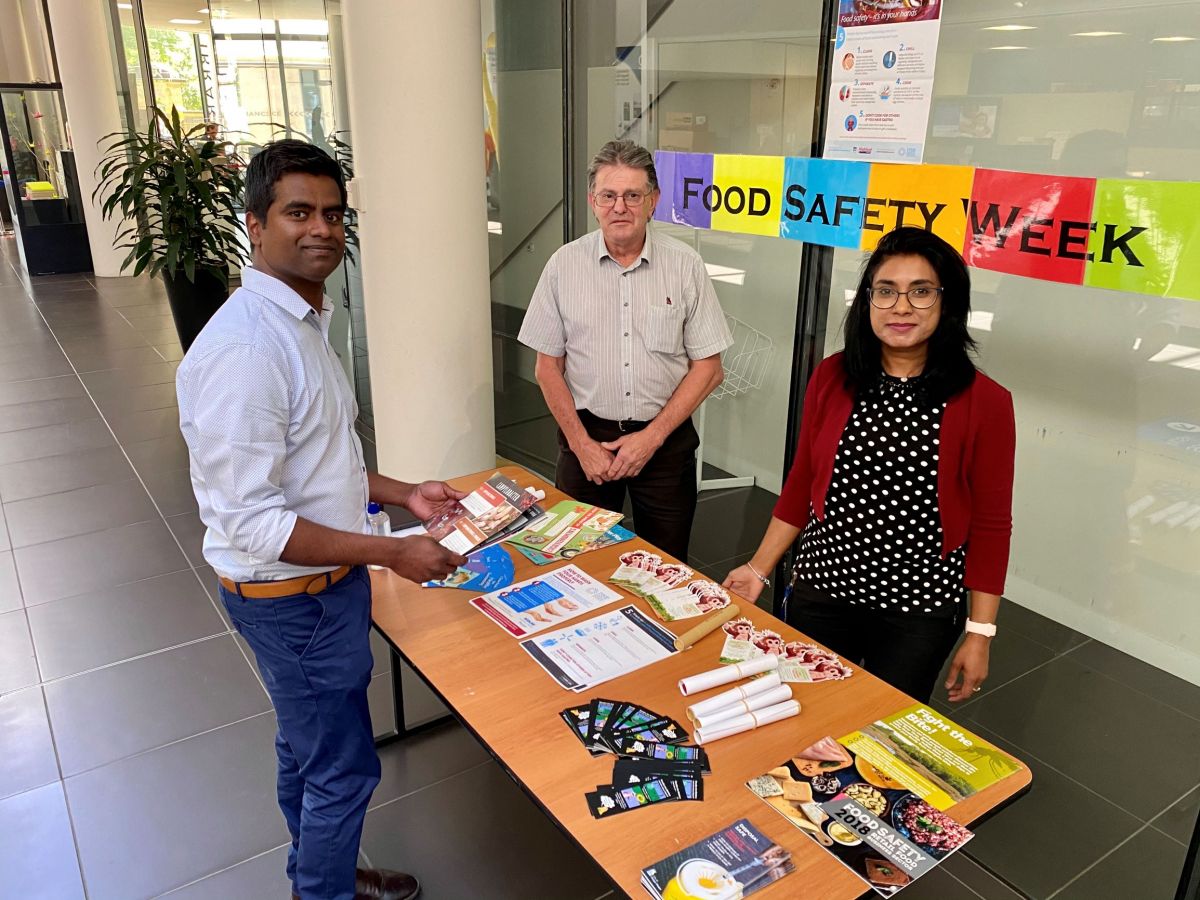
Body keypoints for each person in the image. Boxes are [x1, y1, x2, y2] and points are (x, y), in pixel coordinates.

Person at [176, 139, 467, 900]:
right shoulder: (246, 351)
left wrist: (405, 493)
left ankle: (324, 869)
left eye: (334, 214)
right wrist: (392, 553)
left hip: (318, 594)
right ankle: (325, 890)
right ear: (254, 225)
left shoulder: (301, 324)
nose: (322, 229)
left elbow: (317, 465)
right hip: (293, 603)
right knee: (342, 768)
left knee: (306, 751)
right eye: (298, 211)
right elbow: (256, 524)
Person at [724, 226, 1015, 703]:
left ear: (949, 304)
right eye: (886, 291)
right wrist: (758, 569)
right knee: (805, 710)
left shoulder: (985, 402)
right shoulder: (834, 376)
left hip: (918, 608)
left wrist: (980, 631)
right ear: (867, 302)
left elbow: (990, 523)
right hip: (824, 586)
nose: (901, 307)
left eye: (920, 292)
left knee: (882, 729)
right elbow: (802, 483)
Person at [518, 140, 732, 560]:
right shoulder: (563, 266)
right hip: (586, 443)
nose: (620, 207)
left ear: (652, 201)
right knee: (576, 563)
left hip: (664, 443)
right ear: (592, 202)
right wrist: (581, 446)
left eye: (633, 195)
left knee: (665, 565)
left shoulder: (684, 266)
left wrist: (650, 439)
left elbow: (708, 367)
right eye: (609, 196)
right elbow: (547, 367)